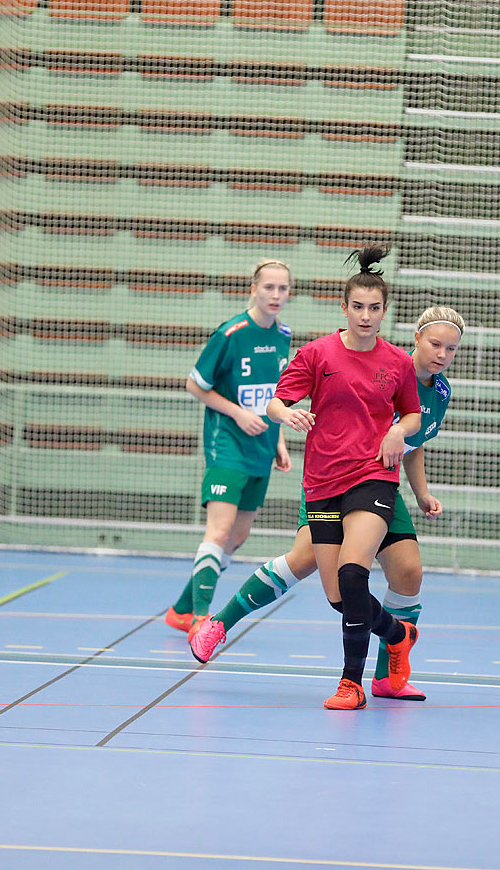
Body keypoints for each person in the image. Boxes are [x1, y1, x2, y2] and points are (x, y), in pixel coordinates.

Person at [190, 305, 463, 703]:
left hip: (377, 483)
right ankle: (220, 622)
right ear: (416, 339)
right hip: (332, 478)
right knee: (312, 567)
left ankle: (386, 677)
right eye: (435, 344)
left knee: (408, 571)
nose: (442, 354)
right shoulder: (384, 366)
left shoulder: (439, 392)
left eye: (451, 349)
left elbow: (412, 443)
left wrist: (421, 492)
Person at [257, 245, 422, 710]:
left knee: (355, 571)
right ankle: (396, 634)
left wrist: (397, 429)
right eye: (358, 307)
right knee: (339, 596)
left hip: (373, 477)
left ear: (384, 311)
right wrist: (287, 414)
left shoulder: (398, 363)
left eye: (375, 309)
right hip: (322, 482)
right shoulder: (317, 353)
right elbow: (275, 401)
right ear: (343, 308)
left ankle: (351, 684)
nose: (366, 316)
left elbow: (412, 414)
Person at [163, 259, 294, 632]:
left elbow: (275, 395)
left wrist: (280, 439)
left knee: (237, 537)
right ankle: (200, 618)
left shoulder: (283, 334)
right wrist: (236, 413)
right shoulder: (231, 333)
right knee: (218, 532)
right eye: (268, 287)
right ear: (253, 289)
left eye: (282, 288)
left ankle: (179, 609)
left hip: (263, 448)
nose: (275, 294)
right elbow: (195, 385)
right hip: (227, 446)